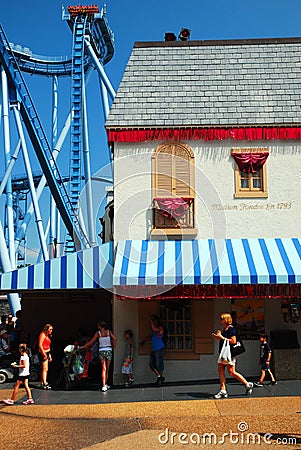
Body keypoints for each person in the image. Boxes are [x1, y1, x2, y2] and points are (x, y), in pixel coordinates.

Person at [212, 312, 253, 398]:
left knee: (231, 372)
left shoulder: (231, 329)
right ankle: (223, 390)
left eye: (222, 319)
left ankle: (247, 384)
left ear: (226, 320)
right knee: (221, 369)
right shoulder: (225, 329)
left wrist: (222, 337)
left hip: (229, 353)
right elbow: (224, 340)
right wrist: (218, 336)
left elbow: (233, 341)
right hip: (224, 353)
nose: (221, 320)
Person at [82, 320, 117, 392]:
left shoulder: (98, 333)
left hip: (101, 350)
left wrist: (84, 346)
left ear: (100, 326)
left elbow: (92, 341)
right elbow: (115, 339)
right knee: (107, 368)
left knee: (103, 368)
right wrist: (113, 346)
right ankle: (106, 384)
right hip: (108, 350)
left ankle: (103, 385)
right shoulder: (108, 332)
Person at [140, 314, 166, 387]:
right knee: (151, 363)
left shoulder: (160, 328)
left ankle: (160, 379)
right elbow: (151, 336)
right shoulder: (154, 332)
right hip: (154, 349)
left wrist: (152, 322)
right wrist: (144, 340)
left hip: (159, 348)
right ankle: (159, 377)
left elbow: (155, 329)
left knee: (159, 364)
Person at [38, 323, 53, 389]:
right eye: (50, 329)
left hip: (47, 352)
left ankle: (42, 382)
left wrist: (49, 355)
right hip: (43, 352)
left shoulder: (47, 336)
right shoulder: (42, 335)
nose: (51, 331)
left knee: (44, 369)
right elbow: (40, 345)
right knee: (45, 369)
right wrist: (44, 354)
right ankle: (44, 382)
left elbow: (48, 346)